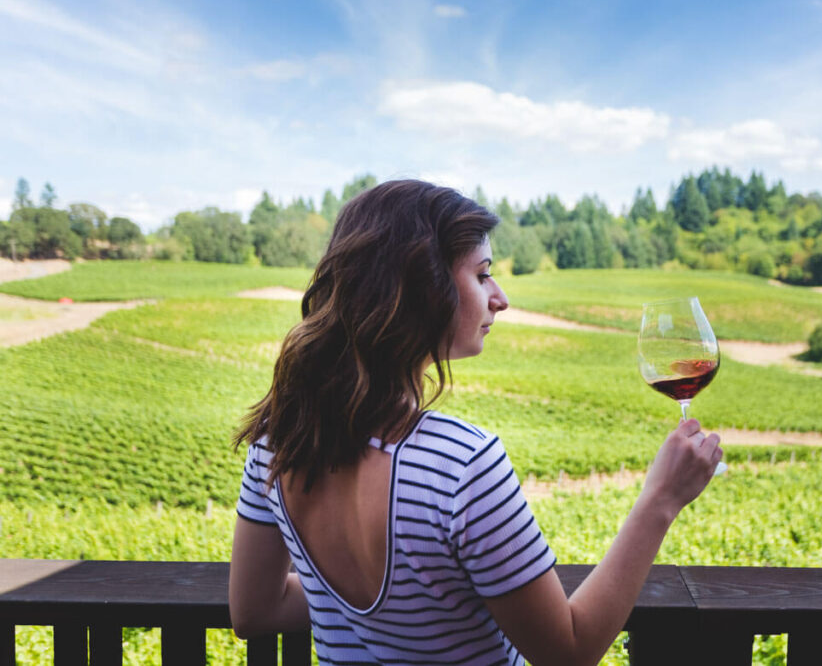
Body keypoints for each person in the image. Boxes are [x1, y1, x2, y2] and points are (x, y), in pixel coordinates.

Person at [229, 179, 722, 665]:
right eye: (483, 274)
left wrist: (372, 602)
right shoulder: (462, 464)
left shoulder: (277, 442)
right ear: (426, 287)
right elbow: (568, 652)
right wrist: (661, 499)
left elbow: (254, 611)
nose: (500, 297)